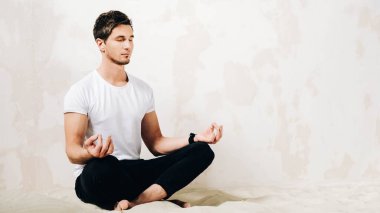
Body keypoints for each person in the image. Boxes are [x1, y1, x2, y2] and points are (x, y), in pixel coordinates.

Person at [63, 10, 223, 211]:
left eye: (131, 39)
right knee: (102, 168)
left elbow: (156, 143)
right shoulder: (81, 91)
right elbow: (72, 152)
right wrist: (91, 153)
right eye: (120, 39)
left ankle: (138, 201)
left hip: (134, 170)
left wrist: (195, 138)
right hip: (99, 173)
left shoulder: (143, 90)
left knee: (202, 151)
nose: (128, 46)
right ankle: (156, 197)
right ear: (101, 44)